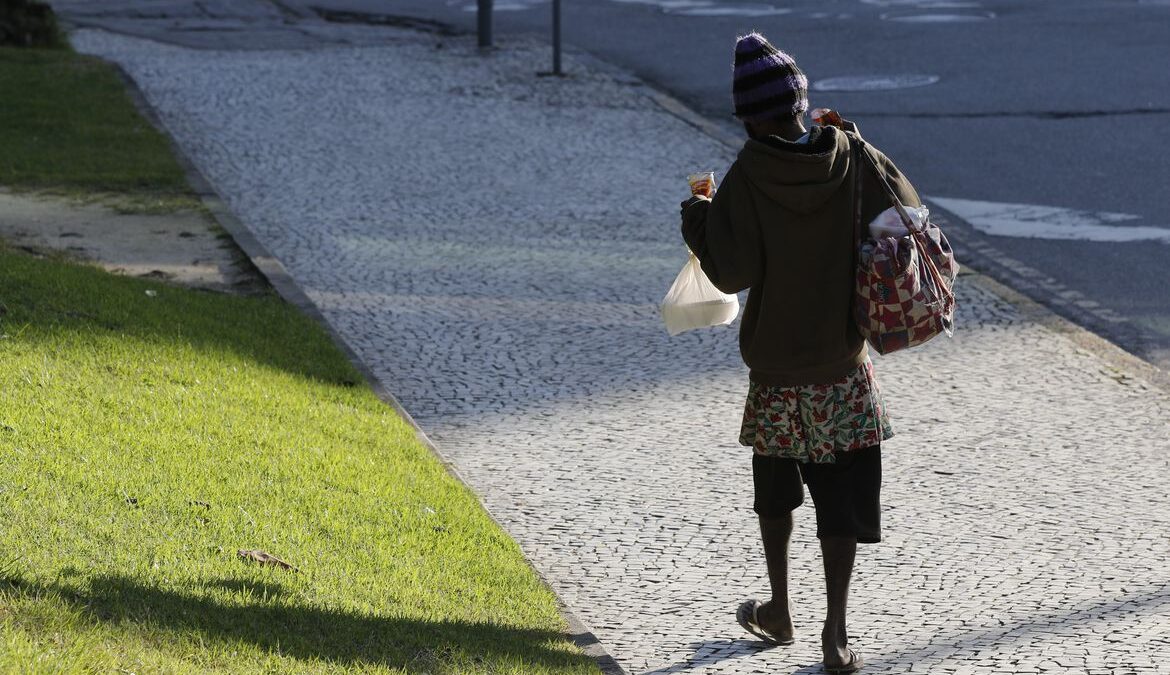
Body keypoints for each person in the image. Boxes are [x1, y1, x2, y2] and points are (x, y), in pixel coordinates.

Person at [678, 32, 922, 674]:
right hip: (842, 365)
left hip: (778, 371)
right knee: (842, 496)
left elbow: (731, 273)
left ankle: (780, 608)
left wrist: (697, 217)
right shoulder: (849, 153)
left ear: (753, 117)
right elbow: (909, 213)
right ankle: (835, 633)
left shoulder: (749, 174)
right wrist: (860, 140)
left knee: (777, 492)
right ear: (800, 103)